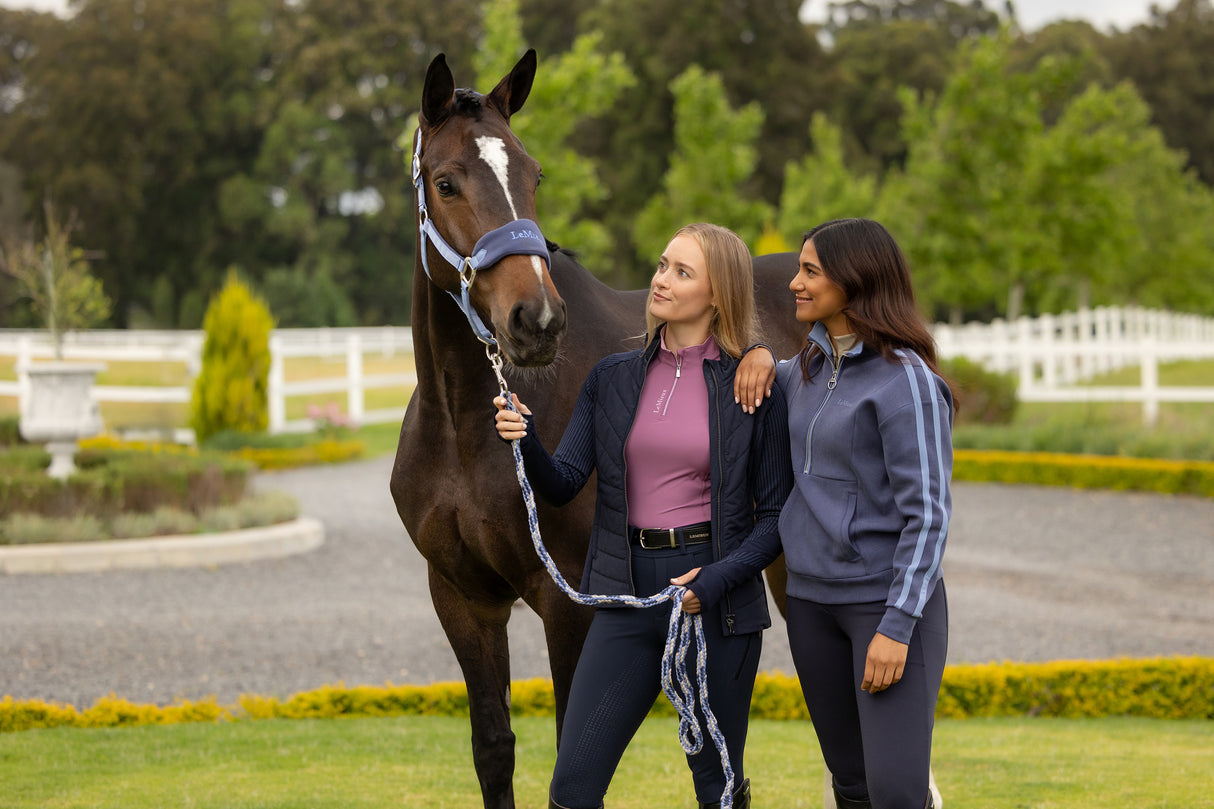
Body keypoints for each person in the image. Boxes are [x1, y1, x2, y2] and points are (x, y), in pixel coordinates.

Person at [493, 222, 793, 809]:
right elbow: (561, 485)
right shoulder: (612, 378)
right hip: (625, 599)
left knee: (719, 790)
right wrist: (524, 437)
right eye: (662, 264)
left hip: (714, 599)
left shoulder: (753, 386)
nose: (661, 279)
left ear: (719, 293)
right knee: (572, 788)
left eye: (682, 272)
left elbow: (776, 515)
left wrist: (717, 580)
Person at [736, 218, 952, 809]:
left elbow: (928, 516)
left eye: (810, 272)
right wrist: (758, 351)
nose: (794, 285)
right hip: (810, 606)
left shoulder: (907, 382)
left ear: (855, 280)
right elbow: (758, 381)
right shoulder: (805, 368)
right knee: (851, 786)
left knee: (898, 792)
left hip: (882, 609)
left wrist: (897, 624)